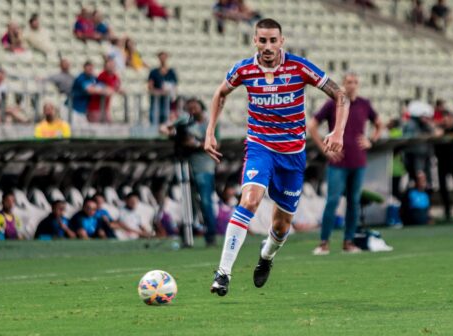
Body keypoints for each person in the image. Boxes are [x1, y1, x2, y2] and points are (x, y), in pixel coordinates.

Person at [205, 18, 349, 296]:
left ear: (281, 41)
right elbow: (220, 93)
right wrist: (210, 131)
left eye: (273, 40)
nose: (268, 46)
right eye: (262, 40)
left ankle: (267, 256)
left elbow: (340, 95)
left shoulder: (299, 67)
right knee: (249, 200)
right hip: (260, 147)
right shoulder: (244, 69)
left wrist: (338, 131)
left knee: (281, 226)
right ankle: (223, 273)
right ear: (254, 41)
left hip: (292, 156)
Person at [310, 72, 382, 255]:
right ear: (342, 84)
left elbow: (380, 124)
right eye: (349, 82)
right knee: (332, 201)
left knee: (354, 202)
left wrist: (371, 140)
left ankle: (348, 242)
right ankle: (324, 242)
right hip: (338, 162)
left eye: (355, 82)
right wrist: (325, 149)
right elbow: (311, 126)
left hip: (358, 161)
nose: (352, 85)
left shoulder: (365, 105)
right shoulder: (332, 103)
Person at [162, 98, 219, 246]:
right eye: (190, 108)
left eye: (195, 107)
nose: (192, 110)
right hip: (187, 166)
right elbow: (167, 129)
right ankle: (187, 235)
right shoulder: (186, 122)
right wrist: (170, 130)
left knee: (205, 201)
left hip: (204, 167)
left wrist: (196, 143)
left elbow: (215, 144)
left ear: (201, 107)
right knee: (189, 202)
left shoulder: (210, 123)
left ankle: (210, 235)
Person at [69, 61, 113, 125]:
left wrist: (104, 89)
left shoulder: (93, 78)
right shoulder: (81, 78)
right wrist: (102, 91)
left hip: (82, 110)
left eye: (91, 68)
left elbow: (106, 88)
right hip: (73, 108)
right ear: (84, 68)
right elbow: (90, 90)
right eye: (88, 68)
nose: (90, 70)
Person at [87, 58, 121, 123]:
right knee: (96, 127)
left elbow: (117, 87)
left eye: (112, 65)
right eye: (109, 65)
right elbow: (101, 89)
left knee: (108, 125)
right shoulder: (102, 76)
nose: (111, 66)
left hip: (106, 107)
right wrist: (109, 90)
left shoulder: (115, 76)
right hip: (96, 107)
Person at [148, 51, 178, 124]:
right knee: (155, 116)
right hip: (156, 100)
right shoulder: (154, 72)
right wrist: (159, 91)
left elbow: (174, 86)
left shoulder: (171, 72)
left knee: (166, 116)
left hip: (168, 100)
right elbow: (150, 86)